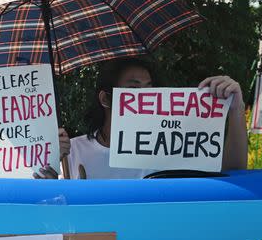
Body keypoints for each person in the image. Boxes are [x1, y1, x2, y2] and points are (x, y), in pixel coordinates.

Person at [36, 58, 248, 179]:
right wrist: (52, 172)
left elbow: (232, 171)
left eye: (149, 88)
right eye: (133, 89)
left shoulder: (170, 145)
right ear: (106, 99)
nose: (145, 96)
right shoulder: (71, 151)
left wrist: (236, 109)